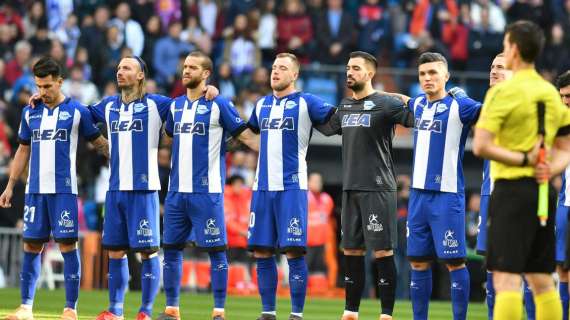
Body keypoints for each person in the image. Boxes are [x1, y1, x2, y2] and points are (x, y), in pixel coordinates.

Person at [473, 20, 570, 320]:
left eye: (505, 46)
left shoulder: (501, 93)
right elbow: (566, 146)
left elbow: (481, 146)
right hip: (542, 194)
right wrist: (549, 168)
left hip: (510, 192)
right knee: (542, 280)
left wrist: (524, 161)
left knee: (506, 281)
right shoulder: (550, 93)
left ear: (513, 49)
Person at [0, 56, 108, 320]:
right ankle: (26, 307)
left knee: (68, 247)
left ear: (60, 82)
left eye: (48, 86)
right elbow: (22, 150)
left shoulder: (77, 112)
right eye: (39, 86)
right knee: (31, 247)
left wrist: (120, 158)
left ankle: (70, 308)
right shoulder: (30, 111)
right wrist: (11, 185)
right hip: (35, 191)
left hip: (64, 191)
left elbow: (99, 143)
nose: (43, 92)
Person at [156, 51, 258, 320]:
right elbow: (167, 138)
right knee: (172, 249)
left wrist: (267, 151)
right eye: (185, 66)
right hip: (177, 192)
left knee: (216, 250)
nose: (186, 70)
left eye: (193, 67)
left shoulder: (219, 103)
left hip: (207, 191)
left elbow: (244, 135)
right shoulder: (175, 106)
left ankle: (219, 312)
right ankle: (172, 309)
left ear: (206, 74)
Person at [316, 51, 414, 320]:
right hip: (350, 188)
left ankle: (386, 314)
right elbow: (325, 125)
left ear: (370, 74)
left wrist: (407, 99)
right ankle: (351, 311)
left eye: (356, 68)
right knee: (351, 249)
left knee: (382, 250)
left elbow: (415, 116)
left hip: (378, 187)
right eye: (348, 68)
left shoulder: (386, 103)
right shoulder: (345, 106)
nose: (350, 72)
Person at [246, 52, 335, 320]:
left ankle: (296, 314)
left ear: (294, 74)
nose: (276, 72)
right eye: (274, 67)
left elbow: (335, 120)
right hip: (262, 187)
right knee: (262, 250)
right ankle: (268, 312)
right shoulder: (261, 105)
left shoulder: (307, 102)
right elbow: (247, 134)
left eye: (283, 68)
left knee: (293, 250)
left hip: (292, 187)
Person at [406, 52, 481, 320]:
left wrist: (461, 96)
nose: (427, 78)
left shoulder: (459, 106)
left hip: (446, 195)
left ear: (446, 77)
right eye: (423, 74)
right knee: (417, 261)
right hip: (417, 196)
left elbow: (486, 111)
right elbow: (403, 100)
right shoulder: (417, 105)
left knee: (454, 261)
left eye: (433, 73)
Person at [476, 53, 537, 319]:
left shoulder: (527, 106)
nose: (494, 71)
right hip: (491, 196)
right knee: (492, 270)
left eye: (501, 67)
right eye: (492, 67)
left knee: (524, 269)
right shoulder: (488, 106)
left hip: (518, 195)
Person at [306, 172, 335, 289]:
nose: (318, 183)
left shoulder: (327, 199)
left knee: (319, 272)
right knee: (304, 270)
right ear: (308, 182)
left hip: (321, 243)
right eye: (314, 181)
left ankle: (317, 293)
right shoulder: (303, 198)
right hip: (306, 243)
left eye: (319, 181)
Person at [557, 70, 570, 320]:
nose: (565, 101)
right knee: (562, 270)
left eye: (569, 96)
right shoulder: (559, 123)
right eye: (562, 96)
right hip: (565, 203)